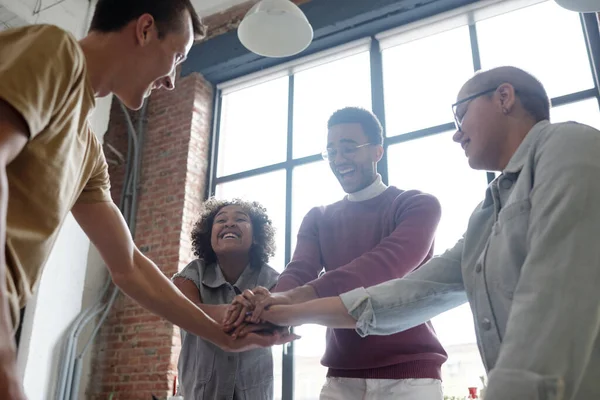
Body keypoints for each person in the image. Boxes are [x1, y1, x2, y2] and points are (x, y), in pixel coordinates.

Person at [0, 0, 294, 398]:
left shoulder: (87, 151)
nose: (173, 79)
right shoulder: (54, 50)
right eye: (176, 57)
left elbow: (130, 266)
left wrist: (222, 337)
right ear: (144, 30)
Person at [253, 66, 600, 400]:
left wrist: (289, 304)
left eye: (461, 115)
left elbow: (560, 288)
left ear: (504, 97)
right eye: (332, 150)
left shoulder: (567, 143)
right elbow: (416, 292)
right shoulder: (486, 214)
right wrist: (279, 307)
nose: (457, 132)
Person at [225, 107, 447, 399]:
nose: (339, 160)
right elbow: (299, 271)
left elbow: (381, 268)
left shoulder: (417, 205)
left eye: (349, 149)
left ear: (377, 152)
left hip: (410, 377)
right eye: (331, 151)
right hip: (341, 376)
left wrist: (286, 300)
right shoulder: (318, 217)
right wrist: (267, 304)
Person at [172, 198, 281, 400]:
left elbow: (279, 323)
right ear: (209, 237)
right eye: (220, 220)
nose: (229, 223)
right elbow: (184, 312)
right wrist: (248, 314)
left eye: (240, 219)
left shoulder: (272, 279)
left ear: (256, 236)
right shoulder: (192, 273)